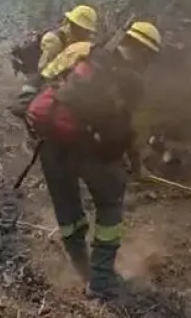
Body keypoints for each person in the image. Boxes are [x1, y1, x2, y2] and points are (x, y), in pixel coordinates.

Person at [26, 20, 162, 301]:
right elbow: (134, 133)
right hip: (95, 153)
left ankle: (83, 270)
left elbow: (43, 80)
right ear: (144, 53)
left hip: (53, 145)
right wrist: (137, 168)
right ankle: (100, 280)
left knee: (68, 213)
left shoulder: (80, 49)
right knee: (110, 207)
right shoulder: (134, 83)